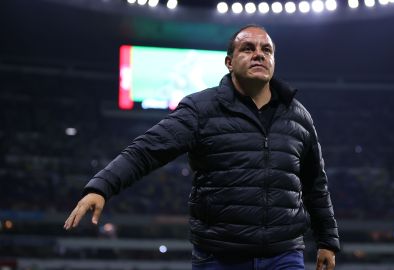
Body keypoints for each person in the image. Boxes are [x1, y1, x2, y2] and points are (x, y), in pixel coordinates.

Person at [64, 24, 340, 270]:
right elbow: (147, 149)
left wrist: (327, 240)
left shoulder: (298, 115)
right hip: (219, 256)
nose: (259, 54)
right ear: (229, 62)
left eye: (266, 49)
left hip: (284, 254)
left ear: (274, 60)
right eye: (248, 48)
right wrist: (101, 187)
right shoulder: (200, 109)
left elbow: (315, 183)